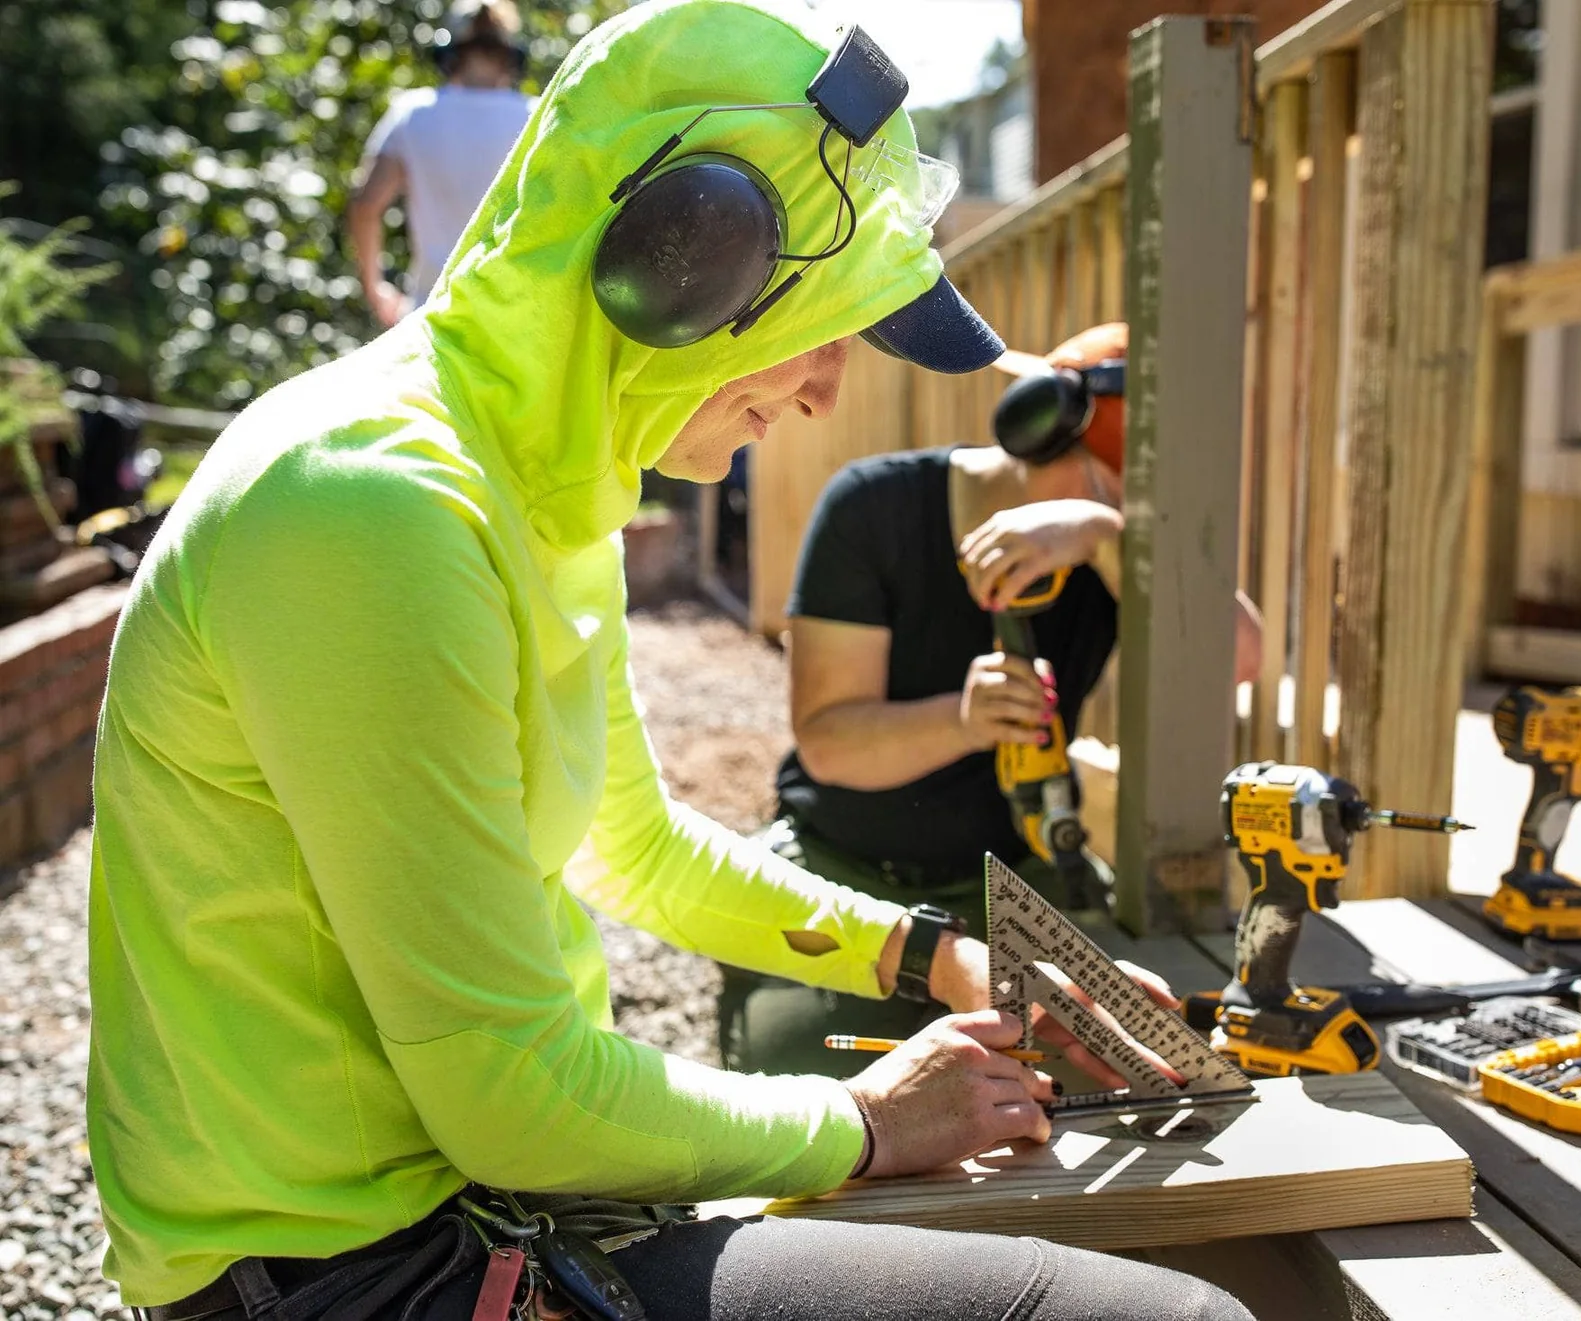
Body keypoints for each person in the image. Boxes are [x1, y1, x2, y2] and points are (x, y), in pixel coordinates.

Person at [86, 4, 1253, 1319]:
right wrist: (862, 1118)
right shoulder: (376, 510)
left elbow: (630, 849)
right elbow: (513, 1096)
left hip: (453, 1209)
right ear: (676, 262)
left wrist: (940, 957)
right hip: (351, 1269)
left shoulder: (533, 483)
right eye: (820, 324)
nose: (827, 389)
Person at [720, 322, 1263, 1080]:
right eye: (1108, 489)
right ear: (1037, 431)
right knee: (808, 1101)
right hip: (846, 867)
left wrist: (1105, 533)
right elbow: (828, 742)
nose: (1130, 513)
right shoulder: (875, 507)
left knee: (1119, 1072)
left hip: (1016, 871)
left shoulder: (1111, 548)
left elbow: (1238, 660)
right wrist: (964, 720)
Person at [345, 0, 533, 328]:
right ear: (510, 54)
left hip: (429, 318)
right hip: (513, 323)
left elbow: (365, 205)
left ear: (451, 51)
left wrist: (375, 287)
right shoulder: (535, 119)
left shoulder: (413, 114)